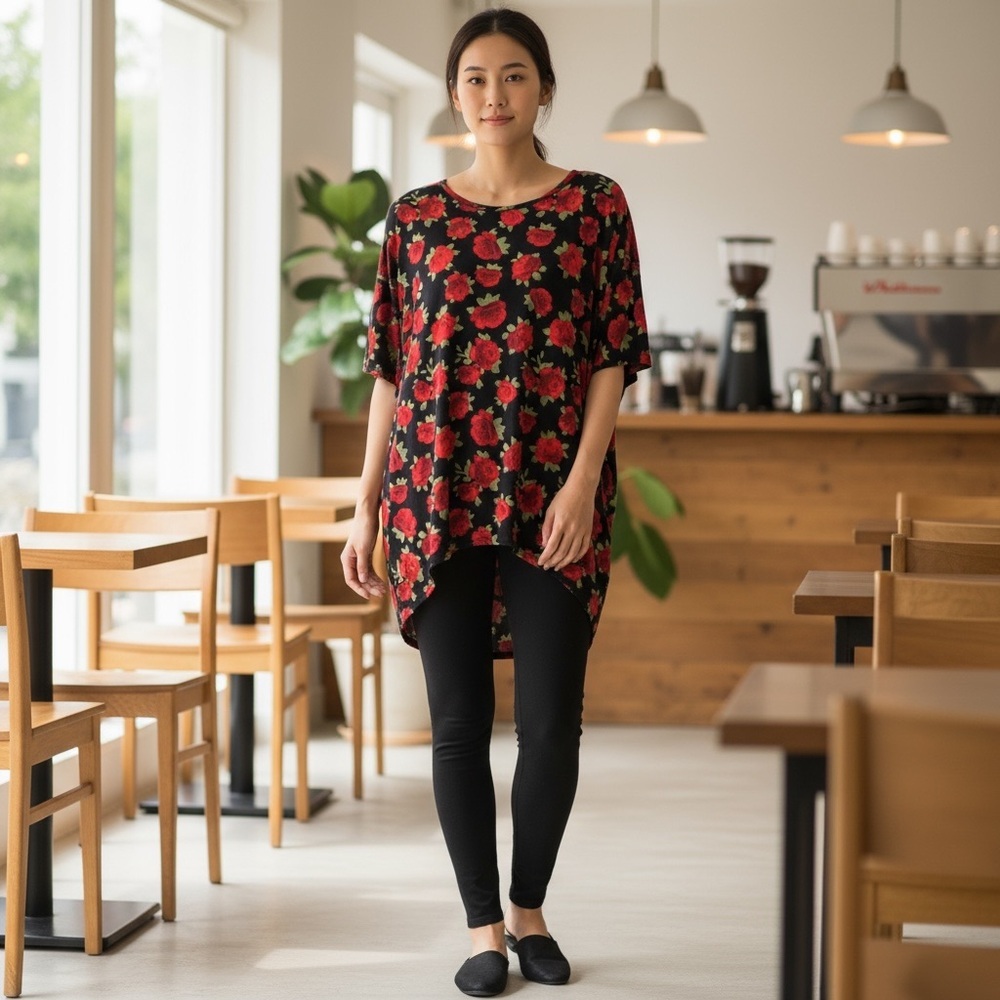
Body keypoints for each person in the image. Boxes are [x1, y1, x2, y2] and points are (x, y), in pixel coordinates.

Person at [342, 7, 650, 996]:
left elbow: (613, 356)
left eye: (513, 76)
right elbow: (390, 371)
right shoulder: (417, 218)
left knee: (551, 725)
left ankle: (530, 908)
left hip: (550, 496)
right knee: (455, 726)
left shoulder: (595, 205)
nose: (493, 95)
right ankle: (482, 928)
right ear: (453, 94)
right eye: (473, 78)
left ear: (544, 89)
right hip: (434, 499)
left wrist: (579, 483)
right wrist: (365, 506)